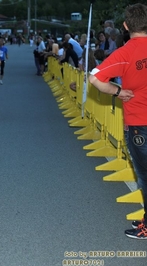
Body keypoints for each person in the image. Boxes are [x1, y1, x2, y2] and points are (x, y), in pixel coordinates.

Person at [89, 3, 147, 240]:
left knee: (144, 175)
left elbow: (95, 79)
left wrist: (117, 91)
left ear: (125, 26)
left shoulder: (124, 52)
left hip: (139, 122)